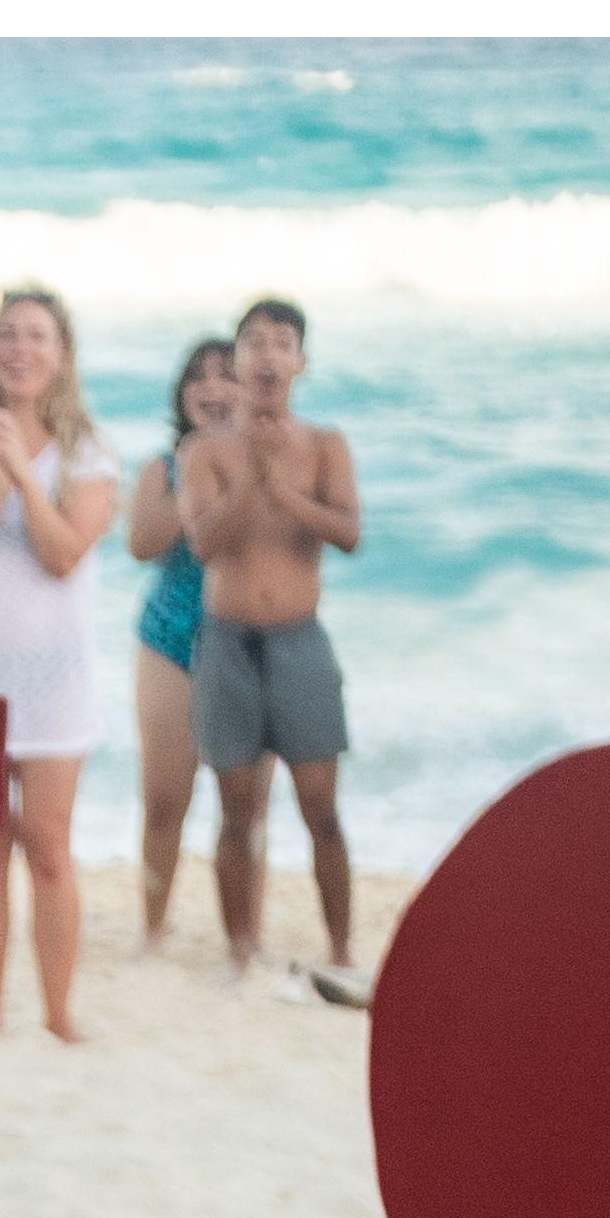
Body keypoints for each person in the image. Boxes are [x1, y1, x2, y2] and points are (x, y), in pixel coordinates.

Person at [0, 285, 123, 1039]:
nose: (20, 349)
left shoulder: (88, 453)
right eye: (7, 334)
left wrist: (26, 479)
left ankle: (60, 1010)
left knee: (48, 844)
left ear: (60, 356)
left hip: (54, 682)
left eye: (37, 336)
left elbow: (65, 552)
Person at [188, 297, 366, 1000]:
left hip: (300, 641)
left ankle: (343, 946)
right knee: (236, 809)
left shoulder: (325, 446)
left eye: (281, 342)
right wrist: (252, 483)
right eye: (253, 342)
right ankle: (240, 950)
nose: (266, 355)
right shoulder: (204, 451)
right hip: (227, 642)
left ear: (300, 363)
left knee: (321, 807)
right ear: (235, 361)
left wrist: (284, 494)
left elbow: (349, 533)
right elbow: (202, 542)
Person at [124, 335, 239, 940]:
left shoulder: (267, 463)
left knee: (243, 810)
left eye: (228, 376)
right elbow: (142, 543)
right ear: (182, 392)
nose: (213, 388)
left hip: (247, 643)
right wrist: (198, 464)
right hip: (168, 639)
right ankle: (152, 928)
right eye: (199, 376)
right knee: (165, 800)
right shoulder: (162, 469)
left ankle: (241, 940)